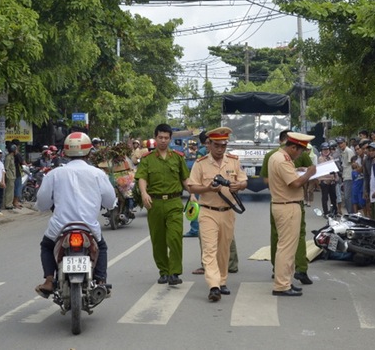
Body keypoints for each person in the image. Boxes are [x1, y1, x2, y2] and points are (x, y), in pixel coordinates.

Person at [34, 132, 117, 298]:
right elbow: (109, 202)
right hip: (89, 227)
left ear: (65, 152)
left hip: (60, 227)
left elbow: (42, 203)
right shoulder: (98, 174)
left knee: (46, 246)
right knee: (101, 247)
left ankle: (49, 280)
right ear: (89, 152)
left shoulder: (54, 174)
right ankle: (100, 282)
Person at [187, 127, 247, 302]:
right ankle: (213, 286)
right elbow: (192, 186)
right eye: (217, 145)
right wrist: (207, 188)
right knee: (209, 249)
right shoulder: (201, 163)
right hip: (208, 212)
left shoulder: (234, 161)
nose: (221, 149)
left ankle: (221, 281)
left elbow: (244, 180)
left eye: (224, 145)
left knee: (223, 250)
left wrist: (239, 186)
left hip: (228, 212)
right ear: (209, 144)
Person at [135, 124, 190, 286]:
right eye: (160, 138)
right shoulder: (147, 159)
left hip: (174, 202)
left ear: (170, 139)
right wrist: (144, 193)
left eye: (166, 138)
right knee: (158, 239)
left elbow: (185, 179)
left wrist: (193, 194)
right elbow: (142, 178)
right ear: (155, 138)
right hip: (155, 203)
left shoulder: (177, 158)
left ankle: (174, 272)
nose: (163, 141)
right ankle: (164, 272)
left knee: (174, 237)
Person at [261, 129, 315, 286]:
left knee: (286, 246)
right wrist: (309, 173)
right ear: (293, 147)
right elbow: (295, 183)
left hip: (282, 203)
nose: (301, 155)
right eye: (301, 151)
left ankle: (284, 280)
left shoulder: (275, 156)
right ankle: (282, 284)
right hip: (287, 205)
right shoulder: (282, 160)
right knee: (286, 247)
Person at [317, 142, 338, 215]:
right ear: (321, 151)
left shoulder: (331, 158)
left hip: (332, 180)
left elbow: (334, 168)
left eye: (327, 149)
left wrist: (336, 176)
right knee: (325, 197)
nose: (326, 151)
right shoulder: (321, 159)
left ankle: (334, 211)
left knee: (333, 197)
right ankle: (325, 212)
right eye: (324, 150)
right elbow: (324, 170)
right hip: (324, 180)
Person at [337, 137, 355, 214]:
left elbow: (352, 164)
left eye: (341, 143)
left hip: (349, 176)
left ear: (345, 142)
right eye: (339, 143)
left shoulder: (349, 151)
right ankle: (350, 213)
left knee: (348, 197)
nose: (340, 145)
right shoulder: (343, 152)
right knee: (346, 197)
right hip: (345, 175)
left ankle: (351, 213)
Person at [3, 144, 17, 210]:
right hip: (9, 176)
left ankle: (10, 203)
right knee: (9, 191)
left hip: (12, 176)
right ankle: (8, 204)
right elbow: (6, 168)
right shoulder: (8, 157)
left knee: (11, 191)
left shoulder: (12, 157)